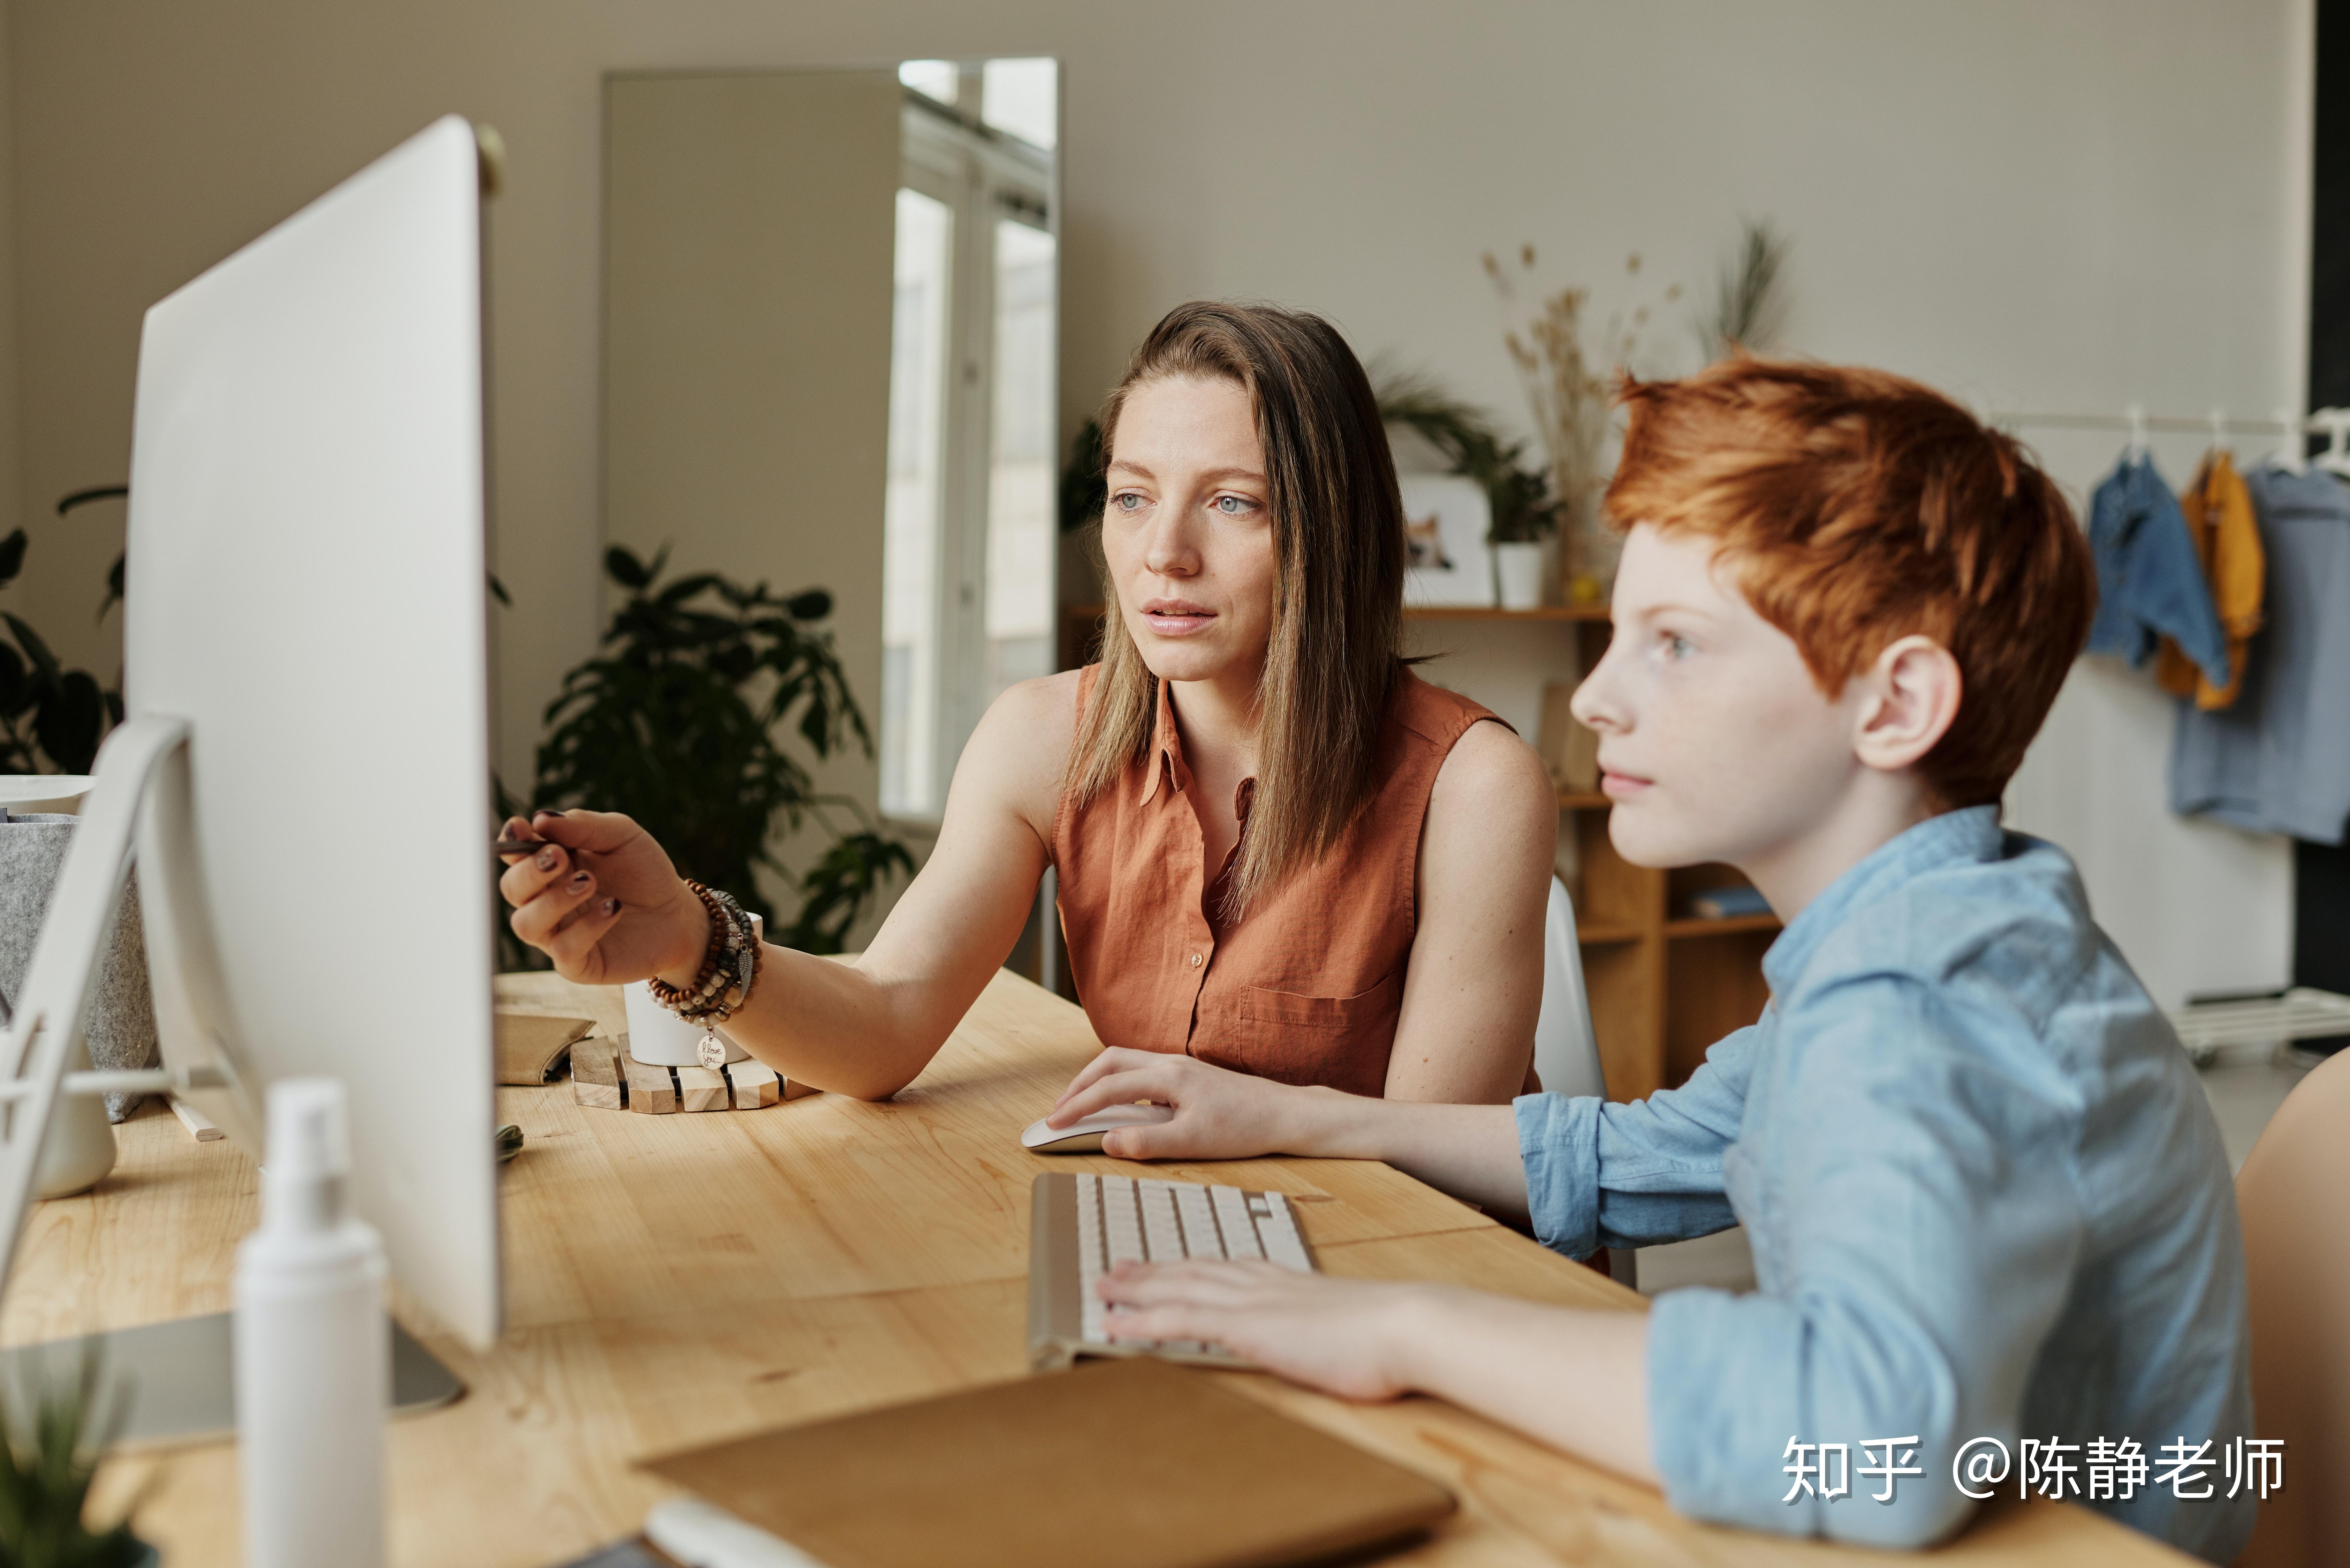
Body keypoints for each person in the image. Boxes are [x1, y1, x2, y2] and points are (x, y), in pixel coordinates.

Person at [1044, 360, 2255, 1562]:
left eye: (1673, 645)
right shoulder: (1937, 929)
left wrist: (1404, 1327)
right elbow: (1646, 1150)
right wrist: (1288, 1114)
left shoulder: (1921, 998)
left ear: (1895, 707)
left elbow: (1873, 1437)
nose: (1598, 702)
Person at [497, 301, 1557, 1105]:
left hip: (1402, 1283)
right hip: (1186, 1244)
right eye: (1133, 496)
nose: (1163, 554)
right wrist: (689, 937)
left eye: (1234, 503)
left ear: (1336, 534)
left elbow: (1432, 1176)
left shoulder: (1475, 788)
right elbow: (886, 1021)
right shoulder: (1044, 738)